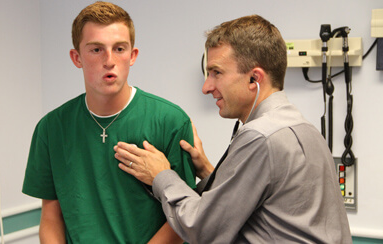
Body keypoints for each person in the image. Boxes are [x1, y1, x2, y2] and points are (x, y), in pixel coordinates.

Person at [114, 15, 352, 243]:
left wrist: (161, 175)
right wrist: (209, 172)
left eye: (216, 72)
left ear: (254, 79)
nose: (206, 87)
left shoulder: (261, 137)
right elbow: (265, 203)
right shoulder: (302, 128)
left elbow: (201, 230)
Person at [22, 2, 196, 243]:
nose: (109, 60)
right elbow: (51, 217)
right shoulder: (51, 129)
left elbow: (182, 218)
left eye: (119, 48)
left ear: (132, 55)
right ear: (77, 57)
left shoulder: (171, 121)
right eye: (96, 49)